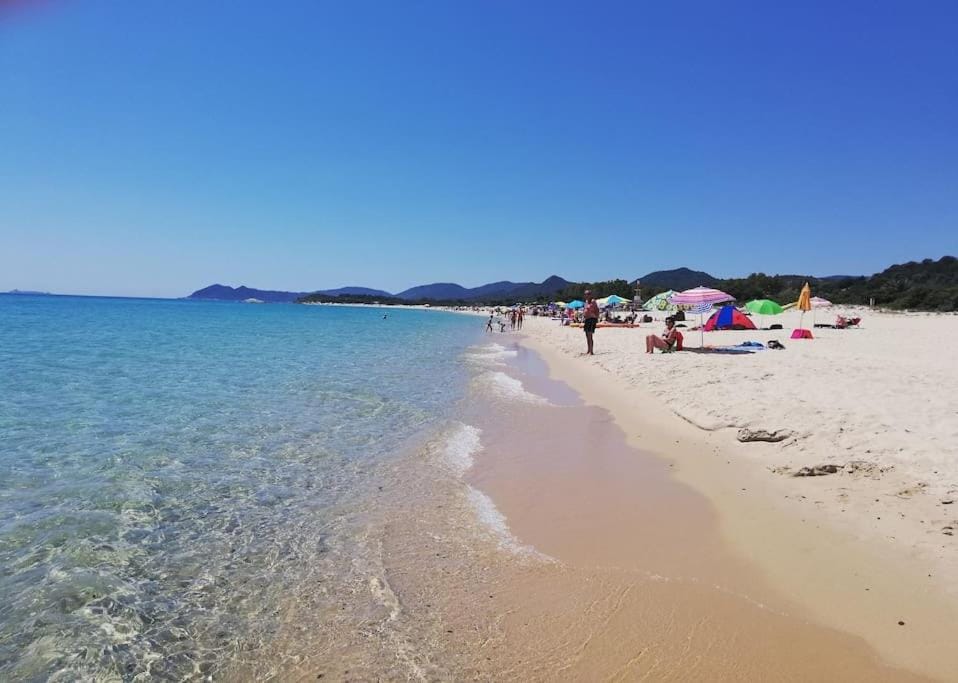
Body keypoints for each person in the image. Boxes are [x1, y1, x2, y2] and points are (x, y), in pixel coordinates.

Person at [582, 291, 600, 355]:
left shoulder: (593, 301)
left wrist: (596, 317)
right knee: (587, 335)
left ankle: (591, 351)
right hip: (587, 319)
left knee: (590, 335)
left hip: (592, 319)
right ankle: (588, 350)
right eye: (585, 294)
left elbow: (597, 310)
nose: (586, 296)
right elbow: (585, 309)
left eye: (587, 294)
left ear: (590, 295)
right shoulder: (586, 302)